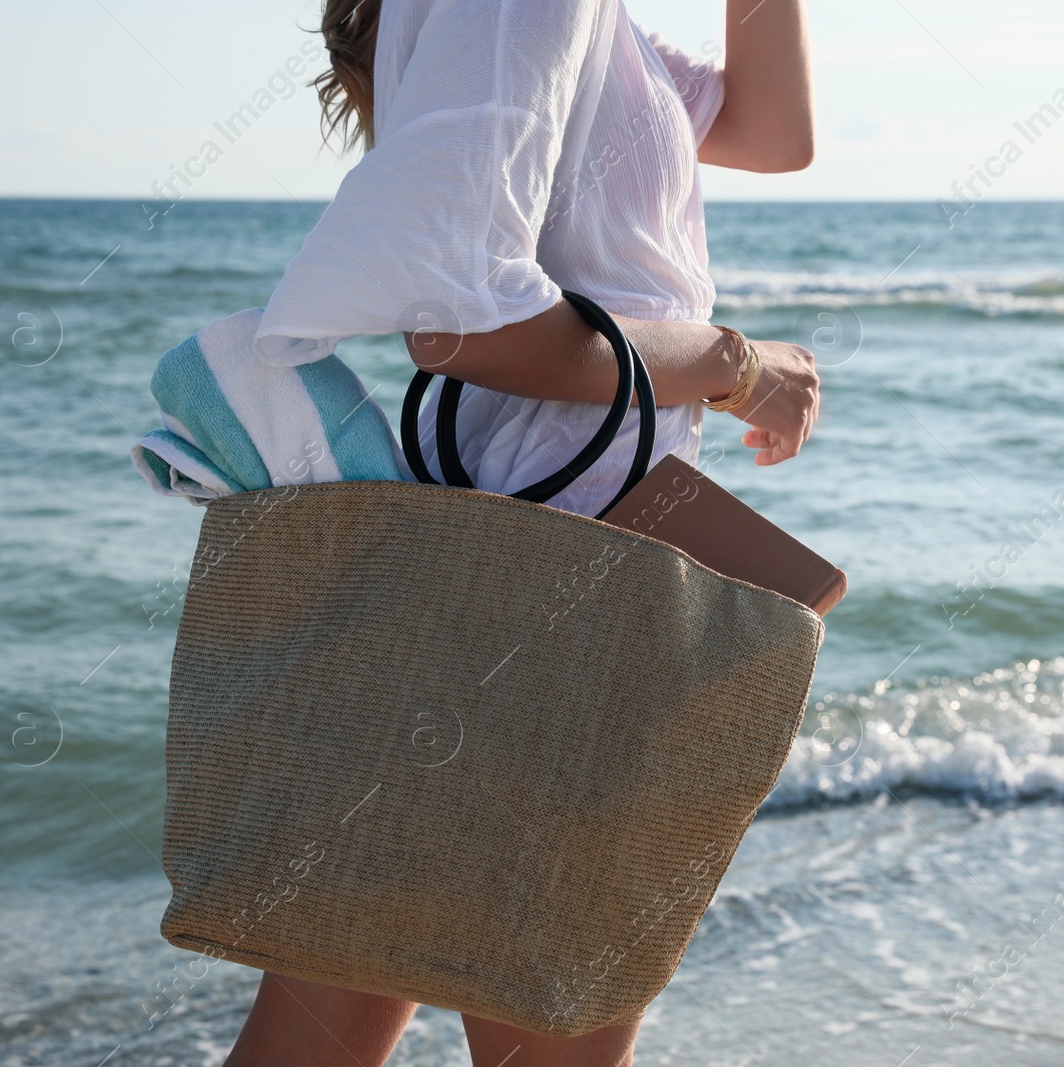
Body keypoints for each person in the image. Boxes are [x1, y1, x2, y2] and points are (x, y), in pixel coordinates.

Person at [224, 0, 816, 1061]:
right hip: (560, 588)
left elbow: (774, 134)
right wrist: (738, 366)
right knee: (547, 1038)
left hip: (484, 573)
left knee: (330, 1024)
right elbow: (462, 327)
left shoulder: (604, 30)